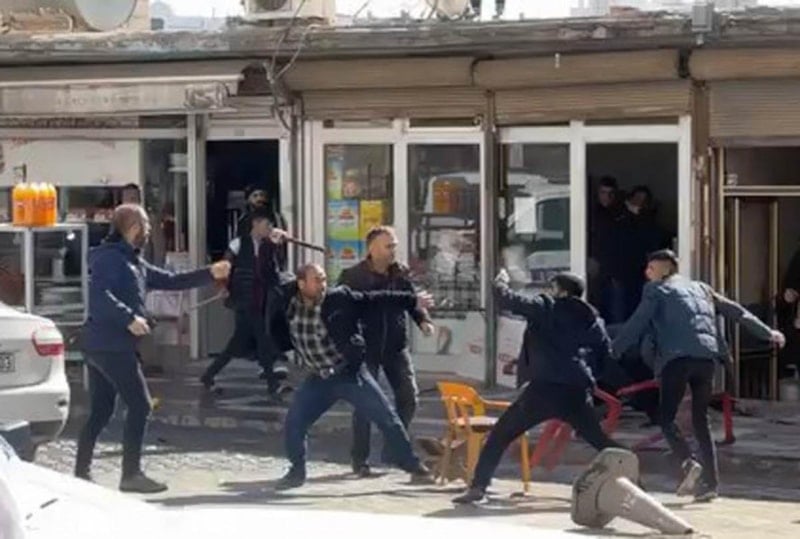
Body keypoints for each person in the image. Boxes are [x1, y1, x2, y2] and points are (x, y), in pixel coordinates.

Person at [75, 204, 231, 494]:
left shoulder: (134, 261)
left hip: (105, 345)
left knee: (101, 410)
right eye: (145, 225)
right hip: (110, 345)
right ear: (132, 227)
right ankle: (131, 475)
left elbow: (171, 281)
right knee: (141, 405)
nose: (149, 230)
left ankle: (81, 472)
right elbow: (99, 297)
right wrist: (129, 318)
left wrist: (210, 273)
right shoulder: (110, 259)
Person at [612, 249, 785, 502]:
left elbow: (638, 323)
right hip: (706, 360)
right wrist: (768, 332)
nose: (647, 273)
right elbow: (736, 311)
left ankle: (687, 462)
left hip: (676, 360)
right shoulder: (701, 288)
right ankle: (710, 484)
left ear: (665, 269)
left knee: (666, 418)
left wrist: (613, 350)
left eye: (651, 268)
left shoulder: (656, 290)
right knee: (701, 421)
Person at [453, 270, 624, 504]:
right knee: (599, 440)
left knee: (500, 436)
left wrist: (500, 281)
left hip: (544, 388)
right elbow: (605, 354)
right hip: (576, 388)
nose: (549, 291)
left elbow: (507, 299)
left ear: (561, 291)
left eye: (552, 287)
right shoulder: (592, 318)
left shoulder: (546, 307)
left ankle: (478, 487)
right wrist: (589, 376)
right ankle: (633, 473)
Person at [269, 263, 436, 490]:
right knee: (295, 422)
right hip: (319, 377)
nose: (323, 285)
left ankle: (411, 463)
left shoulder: (338, 299)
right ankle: (296, 472)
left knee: (387, 418)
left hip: (348, 373)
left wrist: (411, 300)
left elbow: (374, 299)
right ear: (301, 284)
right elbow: (269, 280)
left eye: (324, 279)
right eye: (317, 280)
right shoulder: (287, 302)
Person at [339, 226, 435, 476]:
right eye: (388, 246)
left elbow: (411, 301)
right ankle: (360, 459)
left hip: (395, 345)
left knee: (408, 397)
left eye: (395, 246)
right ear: (372, 248)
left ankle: (393, 448)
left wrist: (423, 320)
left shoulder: (400, 272)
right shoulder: (353, 276)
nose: (393, 251)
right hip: (365, 347)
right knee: (365, 403)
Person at [200, 207, 290, 396]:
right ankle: (273, 385)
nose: (270, 228)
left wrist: (275, 246)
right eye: (267, 224)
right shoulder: (238, 244)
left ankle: (209, 374)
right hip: (244, 300)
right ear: (256, 224)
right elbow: (224, 267)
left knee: (238, 344)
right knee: (262, 339)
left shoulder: (266, 246)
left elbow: (271, 271)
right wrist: (223, 286)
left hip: (259, 300)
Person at [587, 176, 625, 324]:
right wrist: (591, 258)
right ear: (597, 193)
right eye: (603, 192)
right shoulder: (590, 214)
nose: (607, 197)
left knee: (616, 309)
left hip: (616, 268)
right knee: (596, 305)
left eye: (611, 193)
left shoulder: (620, 213)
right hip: (596, 266)